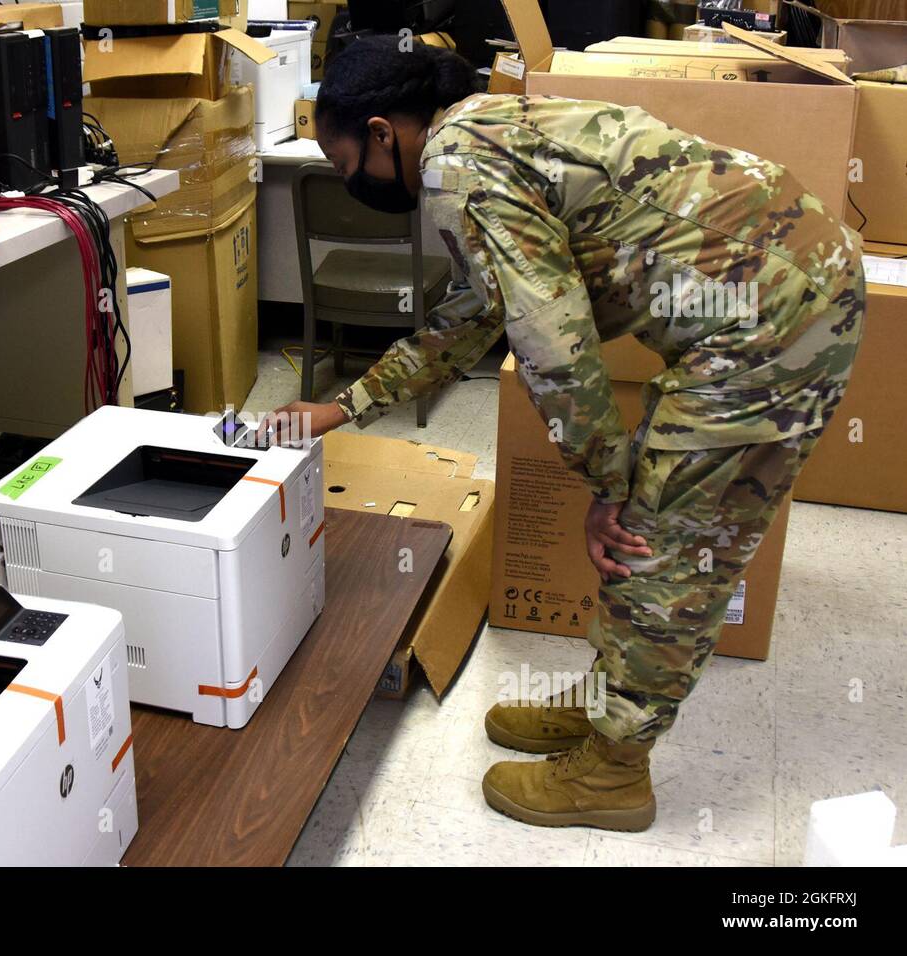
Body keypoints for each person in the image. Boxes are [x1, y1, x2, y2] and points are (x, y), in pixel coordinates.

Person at [267, 37, 864, 832]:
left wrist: (605, 485)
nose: (355, 184)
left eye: (346, 166)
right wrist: (347, 406)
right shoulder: (484, 125)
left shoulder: (456, 172)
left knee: (661, 547)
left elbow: (553, 344)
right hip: (774, 289)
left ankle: (615, 776)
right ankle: (605, 703)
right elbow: (474, 316)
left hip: (769, 322)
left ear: (382, 132)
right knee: (653, 519)